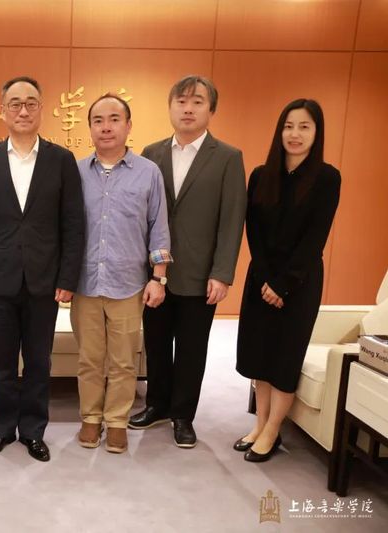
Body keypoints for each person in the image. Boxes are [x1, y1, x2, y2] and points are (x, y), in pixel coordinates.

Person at [0, 76, 85, 462]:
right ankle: (0, 429)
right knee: (0, 363)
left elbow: (73, 224)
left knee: (38, 361)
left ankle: (33, 430)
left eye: (31, 103)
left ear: (41, 109)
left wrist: (67, 278)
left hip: (45, 281)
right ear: (2, 111)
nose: (23, 110)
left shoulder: (61, 159)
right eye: (15, 103)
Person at [129, 75, 247, 448]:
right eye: (181, 101)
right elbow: (143, 214)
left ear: (211, 109)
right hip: (155, 273)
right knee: (156, 343)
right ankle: (157, 405)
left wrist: (222, 273)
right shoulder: (151, 153)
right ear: (170, 107)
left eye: (197, 102)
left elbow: (232, 219)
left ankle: (183, 415)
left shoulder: (227, 157)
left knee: (192, 349)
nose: (188, 109)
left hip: (201, 274)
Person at [235, 99, 340, 462]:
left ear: (316, 133)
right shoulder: (261, 175)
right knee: (259, 355)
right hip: (261, 278)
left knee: (284, 359)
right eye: (288, 126)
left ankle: (273, 430)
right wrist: (266, 278)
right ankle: (260, 425)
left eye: (304, 127)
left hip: (299, 283)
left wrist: (283, 285)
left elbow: (315, 238)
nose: (295, 134)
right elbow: (254, 230)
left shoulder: (327, 178)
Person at [72, 94, 171, 454]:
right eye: (98, 120)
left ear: (128, 125)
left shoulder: (148, 172)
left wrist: (158, 277)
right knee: (89, 359)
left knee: (124, 361)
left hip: (129, 284)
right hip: (84, 283)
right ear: (90, 128)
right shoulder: (76, 172)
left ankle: (116, 421)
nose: (106, 127)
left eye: (114, 119)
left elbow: (159, 227)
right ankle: (90, 417)